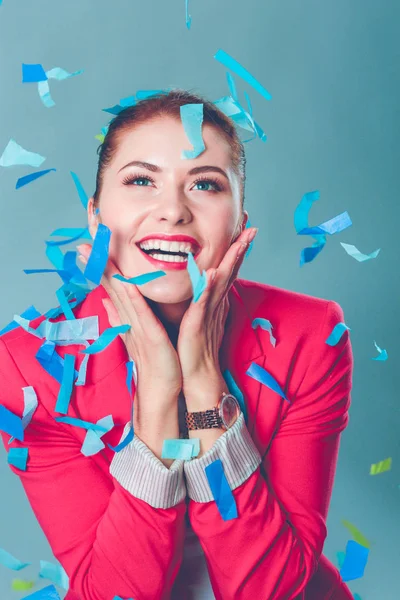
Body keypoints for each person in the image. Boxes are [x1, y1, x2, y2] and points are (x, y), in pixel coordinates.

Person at [0, 89, 354, 600]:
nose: (172, 211)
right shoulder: (26, 367)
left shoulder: (311, 334)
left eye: (205, 185)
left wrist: (204, 383)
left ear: (238, 223)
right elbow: (114, 593)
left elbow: (271, 590)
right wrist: (160, 393)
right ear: (96, 217)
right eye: (141, 180)